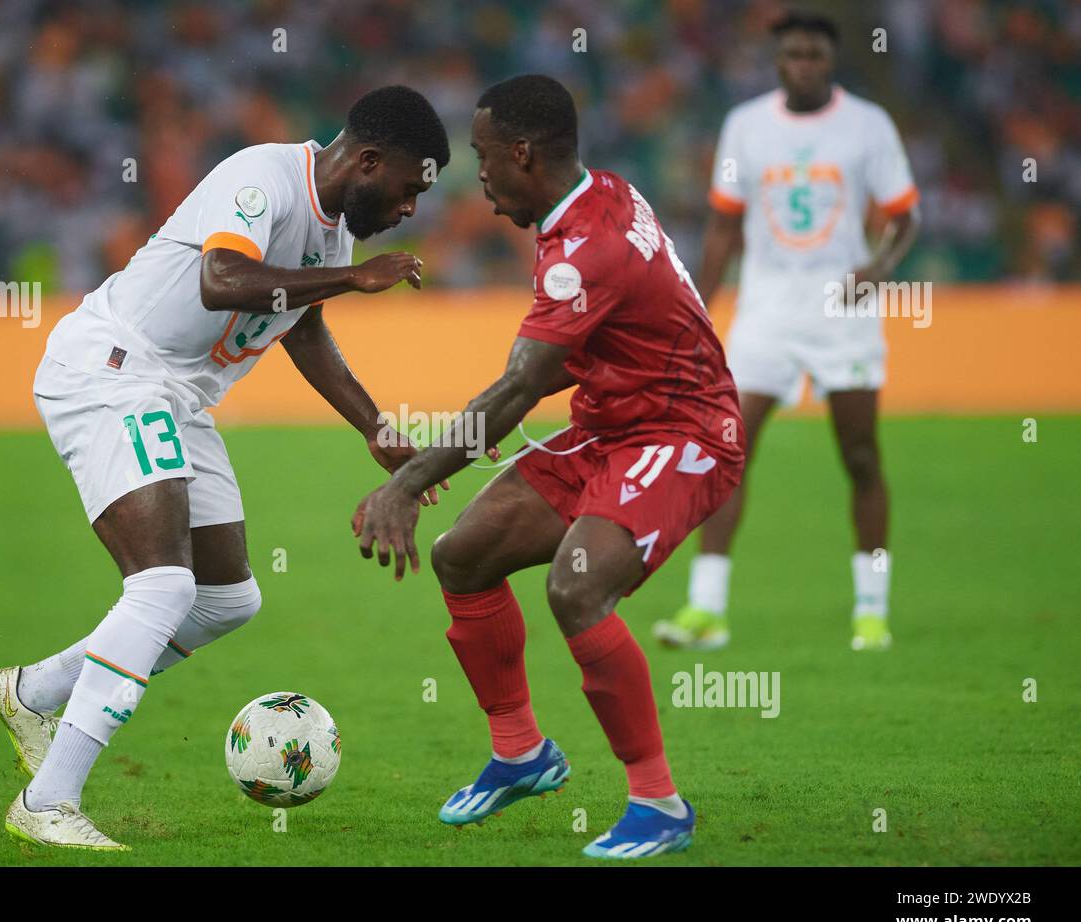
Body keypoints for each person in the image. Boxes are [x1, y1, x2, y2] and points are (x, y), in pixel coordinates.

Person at [0, 85, 451, 850]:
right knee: (163, 585)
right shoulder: (261, 179)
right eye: (406, 191)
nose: (408, 211)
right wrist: (354, 279)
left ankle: (33, 693)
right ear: (367, 161)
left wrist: (374, 426)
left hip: (178, 398)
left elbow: (301, 332)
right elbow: (221, 279)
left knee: (226, 600)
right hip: (113, 370)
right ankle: (47, 799)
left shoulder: (331, 237)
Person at [352, 75, 744, 860]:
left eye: (484, 157)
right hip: (610, 423)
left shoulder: (585, 248)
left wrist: (407, 480)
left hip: (684, 429)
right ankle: (522, 755)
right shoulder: (598, 196)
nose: (478, 177)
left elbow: (524, 382)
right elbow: (584, 349)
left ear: (522, 153)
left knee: (576, 586)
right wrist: (499, 409)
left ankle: (658, 803)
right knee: (462, 557)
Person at [654, 10, 920, 653]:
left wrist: (879, 269)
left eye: (815, 55)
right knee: (730, 451)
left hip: (843, 312)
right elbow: (723, 227)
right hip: (767, 310)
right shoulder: (746, 126)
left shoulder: (868, 125)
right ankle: (706, 610)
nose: (804, 64)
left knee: (860, 457)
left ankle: (871, 610)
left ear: (831, 60)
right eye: (793, 55)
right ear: (778, 62)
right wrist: (698, 309)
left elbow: (906, 217)